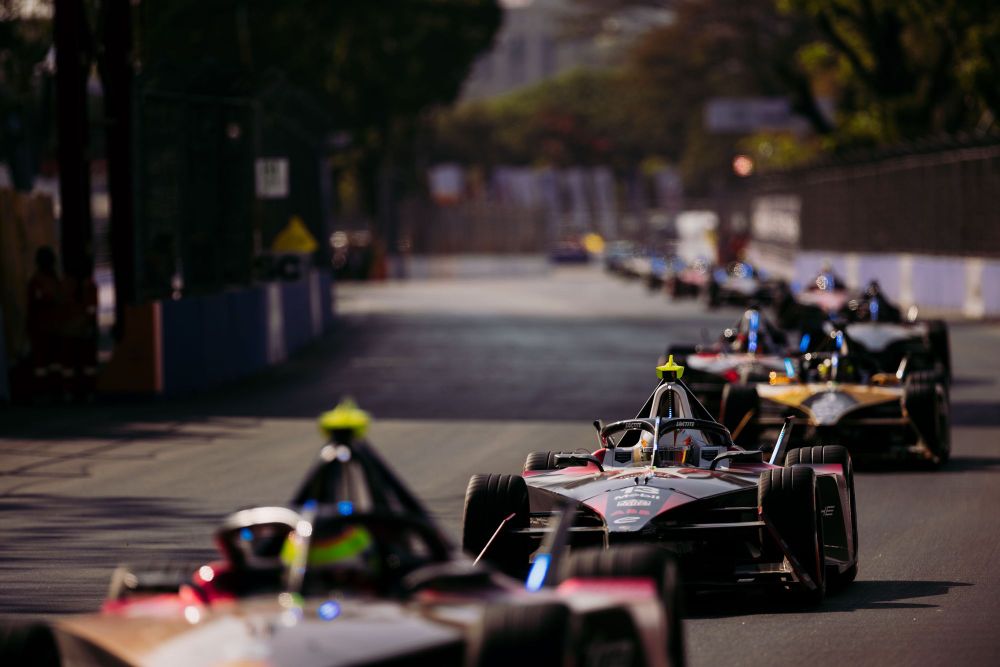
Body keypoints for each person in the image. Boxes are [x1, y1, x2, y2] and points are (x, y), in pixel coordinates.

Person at [25, 246, 65, 399]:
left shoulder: (39, 281)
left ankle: (48, 391)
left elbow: (33, 305)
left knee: (46, 363)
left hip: (45, 328)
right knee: (48, 363)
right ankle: (50, 391)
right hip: (48, 328)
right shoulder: (49, 281)